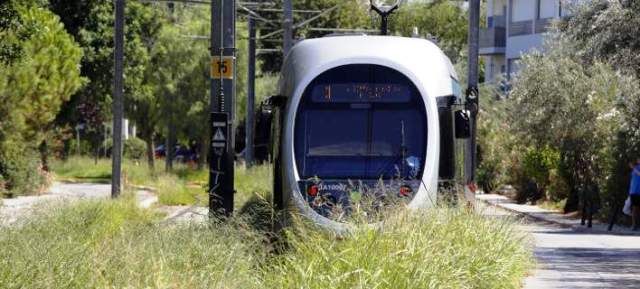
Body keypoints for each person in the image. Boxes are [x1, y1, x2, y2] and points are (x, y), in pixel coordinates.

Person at [629, 159, 640, 230]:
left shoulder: (634, 168)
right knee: (634, 209)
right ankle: (634, 225)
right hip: (633, 191)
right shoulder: (635, 167)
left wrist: (633, 168)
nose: (638, 160)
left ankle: (636, 225)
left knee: (637, 209)